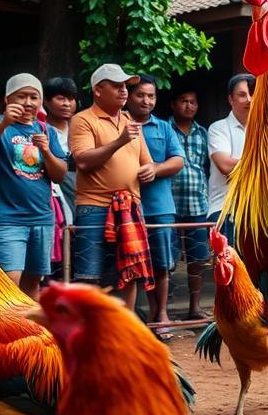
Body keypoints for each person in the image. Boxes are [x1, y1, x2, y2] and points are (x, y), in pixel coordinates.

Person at [0, 74, 67, 298]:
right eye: (21, 96)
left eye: (34, 97)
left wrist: (47, 152)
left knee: (32, 284)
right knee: (9, 284)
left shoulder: (46, 130)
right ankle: (7, 333)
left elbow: (59, 175)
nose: (28, 102)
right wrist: (3, 124)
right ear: (7, 99)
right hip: (6, 219)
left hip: (41, 218)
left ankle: (32, 333)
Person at [68, 63, 153, 313]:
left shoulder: (129, 119)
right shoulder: (83, 119)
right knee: (89, 275)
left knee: (130, 272)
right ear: (98, 90)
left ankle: (124, 334)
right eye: (116, 86)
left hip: (130, 207)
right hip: (94, 207)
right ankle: (91, 336)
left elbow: (147, 162)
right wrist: (119, 141)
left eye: (125, 86)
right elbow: (82, 160)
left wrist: (152, 170)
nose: (123, 91)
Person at [124, 75, 185, 336]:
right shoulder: (118, 124)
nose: (146, 101)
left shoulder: (163, 128)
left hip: (160, 207)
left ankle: (160, 314)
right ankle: (131, 321)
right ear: (128, 96)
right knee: (132, 266)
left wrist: (156, 168)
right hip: (125, 207)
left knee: (161, 264)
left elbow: (178, 160)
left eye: (151, 96)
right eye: (141, 95)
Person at [168, 85, 210, 321]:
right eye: (184, 101)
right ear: (173, 104)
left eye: (192, 101)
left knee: (198, 258)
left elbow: (206, 166)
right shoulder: (165, 129)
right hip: (170, 204)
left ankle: (195, 308)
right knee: (169, 259)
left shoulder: (202, 133)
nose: (189, 106)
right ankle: (166, 307)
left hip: (197, 204)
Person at [208, 73, 255, 240]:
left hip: (258, 211)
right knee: (229, 265)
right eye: (242, 95)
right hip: (225, 209)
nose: (249, 99)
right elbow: (226, 166)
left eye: (252, 94)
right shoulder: (218, 128)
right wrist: (264, 165)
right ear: (230, 99)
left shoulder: (265, 131)